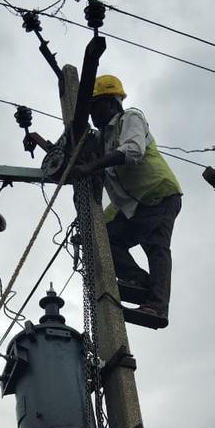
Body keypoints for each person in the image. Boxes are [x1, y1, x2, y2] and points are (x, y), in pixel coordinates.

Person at [72, 74, 183, 326]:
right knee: (104, 238)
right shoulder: (103, 139)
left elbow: (133, 150)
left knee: (156, 246)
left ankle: (156, 306)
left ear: (111, 103)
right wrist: (90, 227)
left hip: (159, 194)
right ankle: (139, 282)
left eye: (94, 107)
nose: (91, 114)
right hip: (135, 205)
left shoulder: (130, 118)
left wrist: (92, 166)